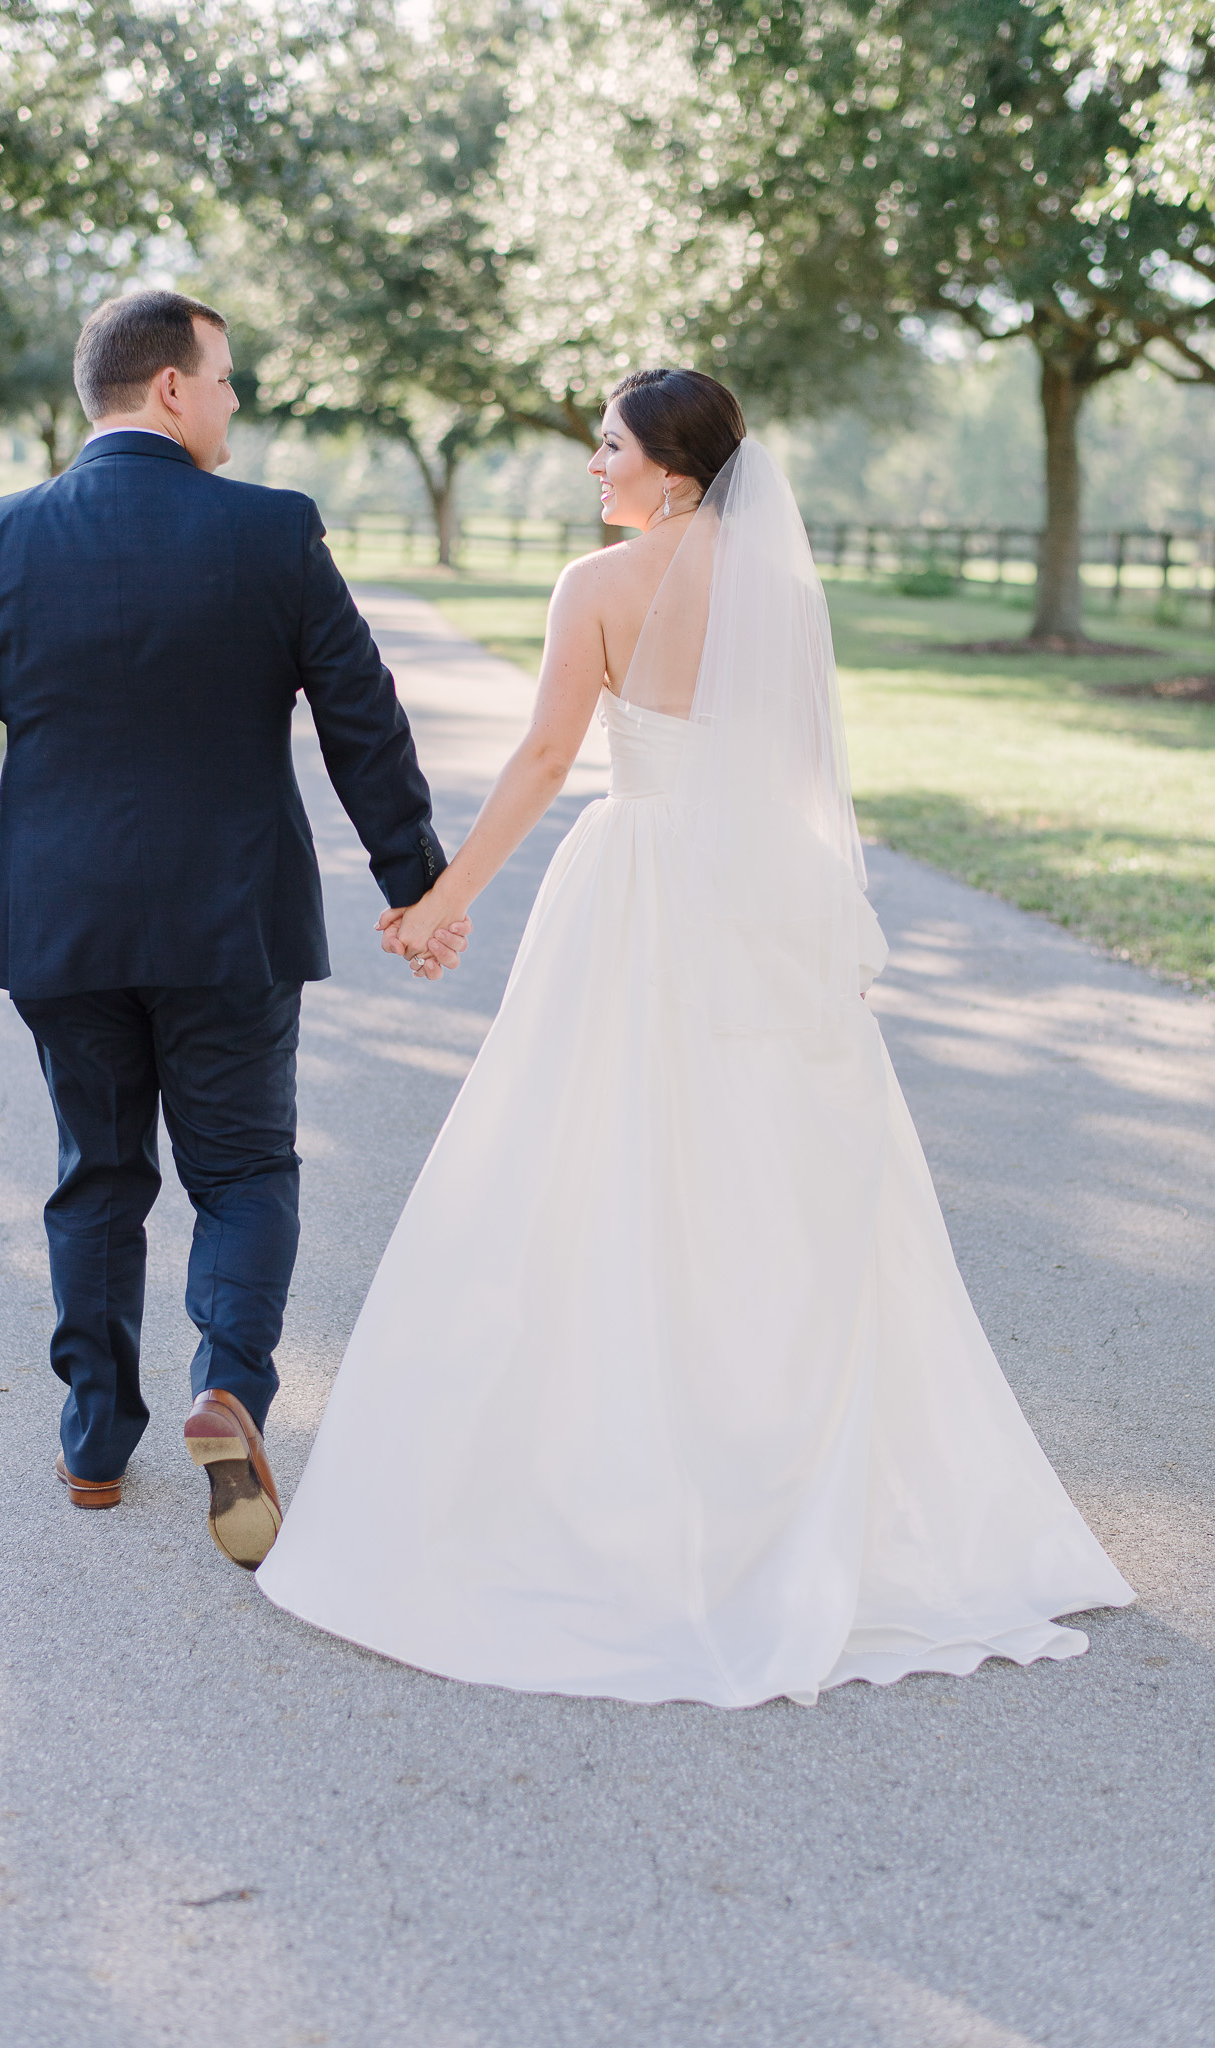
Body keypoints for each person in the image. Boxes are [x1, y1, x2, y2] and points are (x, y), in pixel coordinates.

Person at [257, 367, 1134, 1708]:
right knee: (769, 1179)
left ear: (668, 469)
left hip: (640, 883)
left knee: (594, 1164)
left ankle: (613, 1483)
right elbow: (802, 782)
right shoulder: (783, 592)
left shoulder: (593, 587)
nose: (588, 469)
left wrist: (445, 897)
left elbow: (549, 760)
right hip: (761, 899)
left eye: (605, 449)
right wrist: (825, 925)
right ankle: (768, 1468)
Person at [0, 288, 469, 1569]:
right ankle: (233, 1395)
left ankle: (95, 1438)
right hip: (231, 923)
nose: (236, 401)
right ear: (168, 388)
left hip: (64, 926)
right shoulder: (272, 532)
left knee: (99, 1173)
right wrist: (414, 879)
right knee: (245, 1170)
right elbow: (362, 715)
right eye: (227, 378)